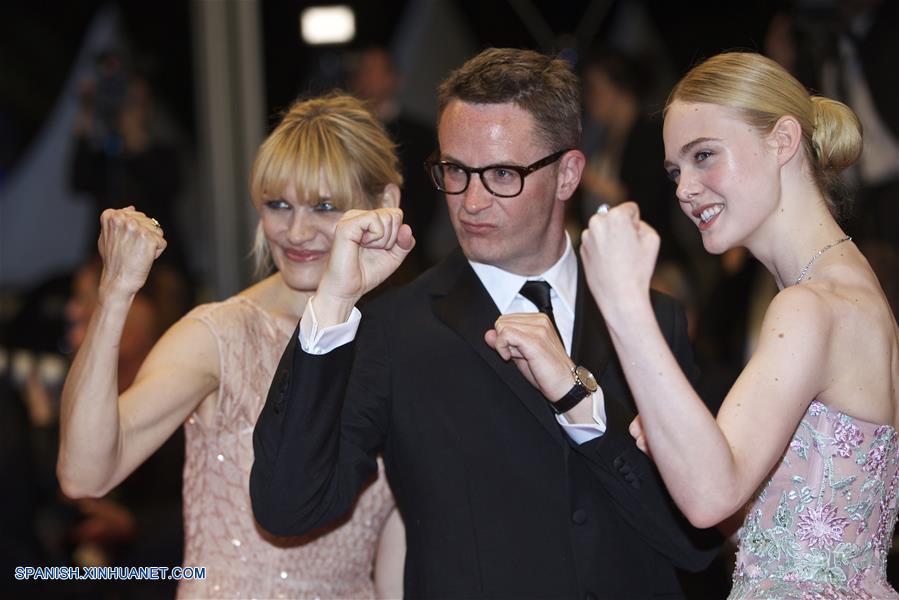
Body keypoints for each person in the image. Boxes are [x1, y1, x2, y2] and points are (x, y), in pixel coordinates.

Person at [251, 47, 719, 599]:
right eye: (454, 170)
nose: (470, 201)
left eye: (501, 174)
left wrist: (581, 404)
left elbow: (696, 541)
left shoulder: (649, 315)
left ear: (568, 173)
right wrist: (333, 301)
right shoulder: (396, 328)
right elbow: (287, 507)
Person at [58, 94, 405, 599]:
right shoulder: (220, 334)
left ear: (385, 205)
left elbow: (396, 557)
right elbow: (84, 474)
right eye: (278, 205)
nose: (297, 231)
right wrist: (114, 297)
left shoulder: (398, 347)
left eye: (324, 206)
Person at [579, 51, 899, 598]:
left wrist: (623, 300)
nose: (684, 189)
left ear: (782, 140)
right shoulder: (850, 285)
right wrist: (674, 441)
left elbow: (710, 497)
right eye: (676, 171)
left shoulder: (810, 305)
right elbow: (771, 529)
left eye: (704, 155)